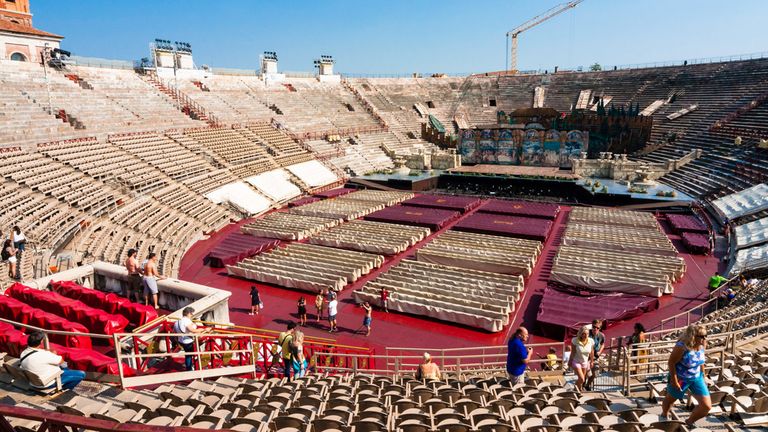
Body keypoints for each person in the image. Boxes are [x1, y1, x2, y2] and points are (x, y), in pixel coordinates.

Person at [661, 325, 712, 426]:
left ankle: (689, 422)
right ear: (693, 336)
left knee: (706, 406)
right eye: (701, 336)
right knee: (670, 399)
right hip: (681, 378)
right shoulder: (682, 347)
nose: (704, 338)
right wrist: (674, 381)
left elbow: (701, 361)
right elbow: (671, 363)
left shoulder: (702, 344)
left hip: (697, 378)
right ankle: (664, 415)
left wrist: (703, 375)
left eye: (706, 336)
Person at [20, 332, 85, 391]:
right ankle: (65, 390)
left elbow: (39, 355)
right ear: (41, 342)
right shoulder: (44, 355)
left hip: (34, 382)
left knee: (64, 367)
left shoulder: (23, 353)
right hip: (48, 382)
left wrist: (48, 352)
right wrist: (53, 354)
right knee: (81, 374)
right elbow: (61, 361)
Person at [570, 325, 595, 391]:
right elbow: (573, 352)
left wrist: (592, 361)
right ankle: (575, 388)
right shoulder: (575, 340)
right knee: (582, 379)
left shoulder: (591, 341)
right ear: (580, 334)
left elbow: (592, 352)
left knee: (582, 380)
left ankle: (578, 390)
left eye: (587, 334)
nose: (585, 335)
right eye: (584, 334)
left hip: (585, 362)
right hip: (576, 361)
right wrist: (570, 361)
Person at [585, 320, 606, 390]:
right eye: (594, 327)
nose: (595, 329)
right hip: (586, 356)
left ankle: (588, 385)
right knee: (586, 372)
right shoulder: (587, 334)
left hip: (595, 356)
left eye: (597, 328)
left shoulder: (601, 335)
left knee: (595, 373)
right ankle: (583, 384)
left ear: (600, 328)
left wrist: (600, 352)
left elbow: (603, 344)